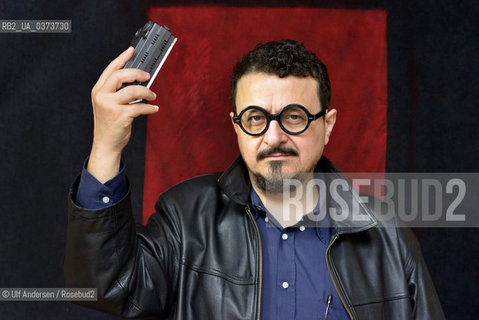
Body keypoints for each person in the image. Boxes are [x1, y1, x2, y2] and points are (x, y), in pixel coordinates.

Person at [64, 40, 445, 319]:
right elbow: (105, 286)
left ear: (327, 126)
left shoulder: (387, 234)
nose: (274, 136)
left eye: (294, 116)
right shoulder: (185, 218)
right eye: (256, 119)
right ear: (237, 127)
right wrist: (106, 146)